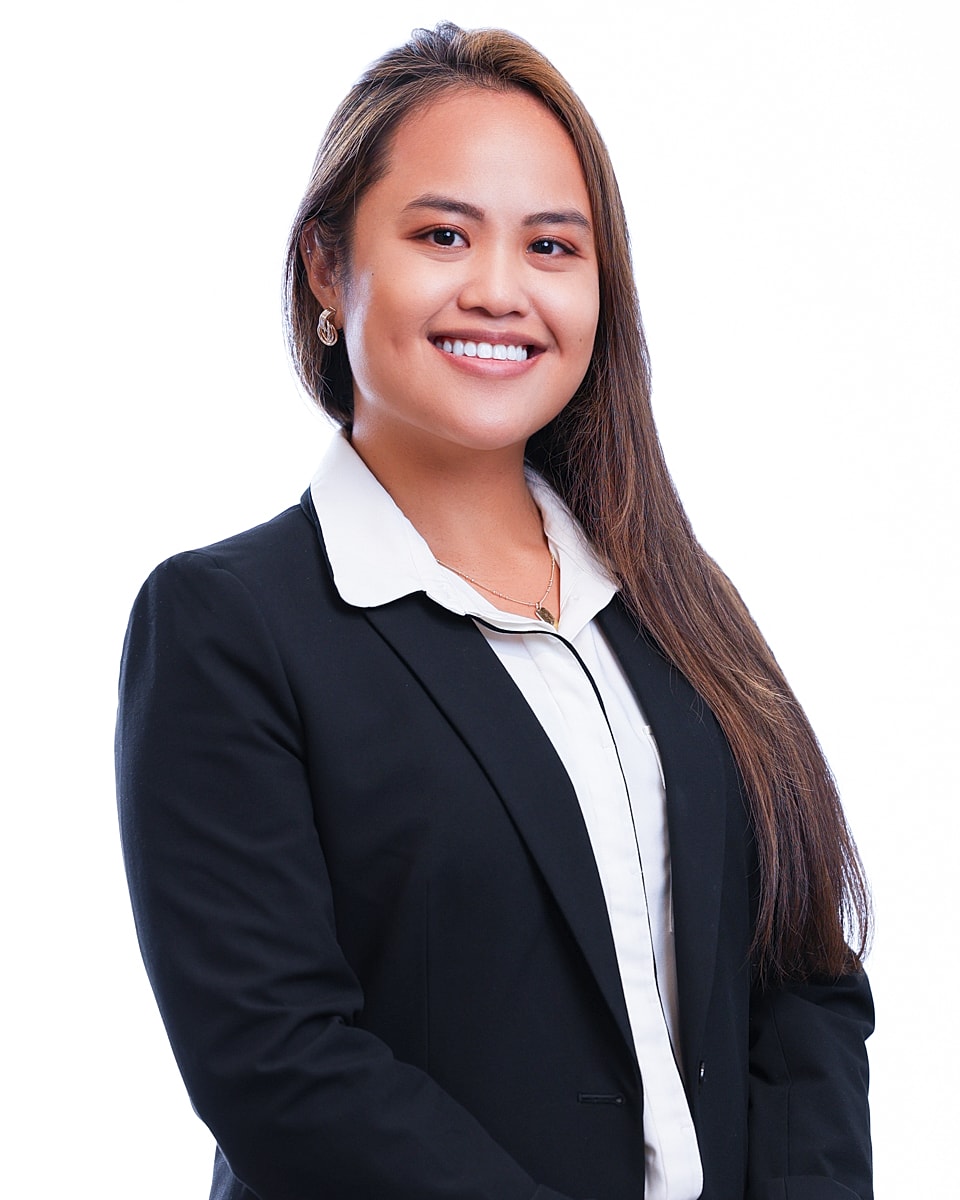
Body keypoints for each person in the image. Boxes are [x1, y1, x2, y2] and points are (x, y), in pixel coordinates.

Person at [116, 22, 873, 1200]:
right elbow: (280, 1065)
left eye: (553, 245)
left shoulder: (676, 607)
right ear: (326, 266)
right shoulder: (228, 627)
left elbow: (801, 980)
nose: (500, 290)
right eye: (442, 234)